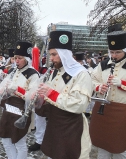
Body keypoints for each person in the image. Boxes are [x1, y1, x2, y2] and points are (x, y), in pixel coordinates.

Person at [35, 30, 92, 159]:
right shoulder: (56, 72)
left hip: (71, 127)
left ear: (64, 54)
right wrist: (39, 98)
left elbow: (80, 104)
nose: (52, 58)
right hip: (54, 124)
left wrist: (50, 93)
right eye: (50, 55)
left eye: (54, 54)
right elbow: (48, 97)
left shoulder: (81, 74)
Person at [90, 30, 126, 159]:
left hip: (123, 112)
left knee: (120, 148)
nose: (114, 55)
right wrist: (98, 87)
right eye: (112, 52)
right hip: (103, 110)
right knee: (103, 146)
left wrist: (122, 83)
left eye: (118, 52)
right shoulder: (103, 65)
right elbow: (90, 80)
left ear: (125, 51)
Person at [0, 41, 39, 159]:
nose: (17, 61)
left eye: (20, 58)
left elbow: (33, 97)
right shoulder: (12, 71)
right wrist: (1, 90)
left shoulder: (33, 74)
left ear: (26, 59)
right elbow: (2, 89)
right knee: (5, 139)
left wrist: (17, 89)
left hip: (22, 108)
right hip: (9, 106)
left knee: (19, 141)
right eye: (15, 58)